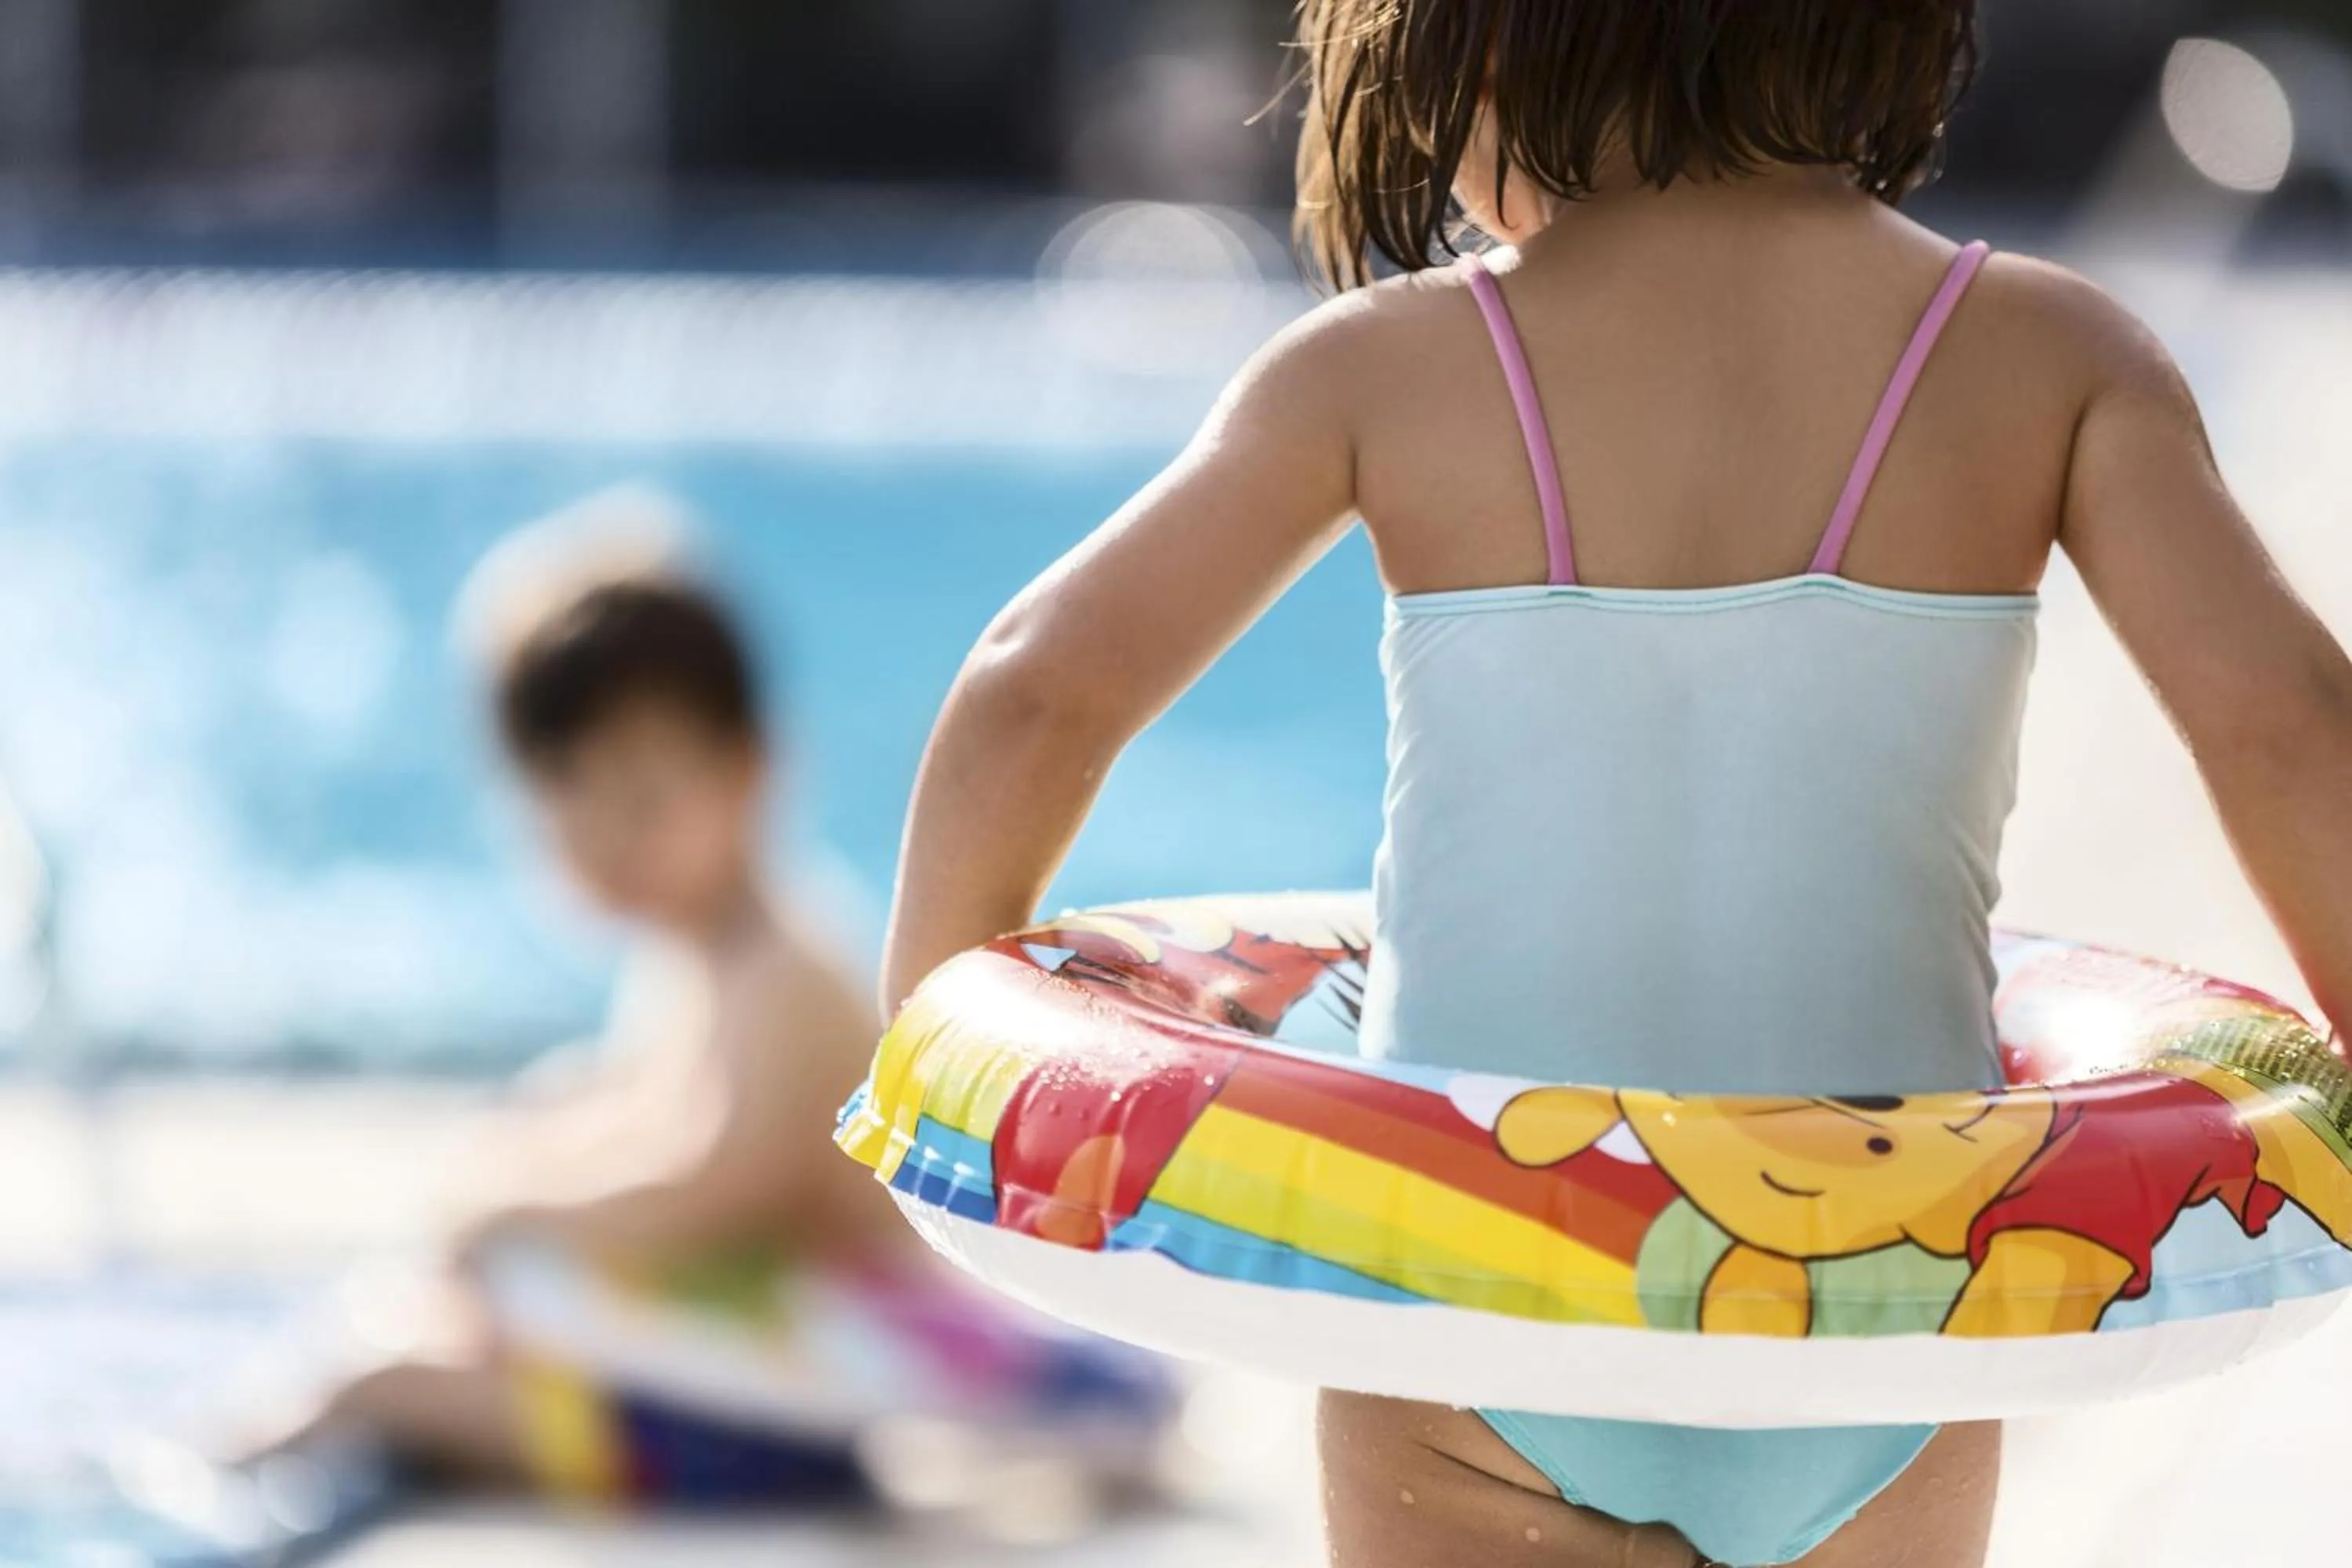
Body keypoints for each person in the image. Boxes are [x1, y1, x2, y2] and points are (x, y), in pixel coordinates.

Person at [875, 4, 2352, 1565]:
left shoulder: (1389, 369)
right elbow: (2292, 722)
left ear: (1484, 50)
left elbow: (1034, 687)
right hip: (1878, 1325)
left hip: (1472, 1324)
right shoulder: (2051, 359)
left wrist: (945, 1082)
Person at [183, 503, 1170, 1544]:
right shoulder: (697, 958)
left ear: (748, 770)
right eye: (571, 810)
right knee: (429, 1296)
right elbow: (638, 1117)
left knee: (379, 1374)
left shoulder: (784, 972)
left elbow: (713, 1183)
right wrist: (522, 1159)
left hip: (769, 1435)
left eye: (643, 801)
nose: (608, 844)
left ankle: (213, 1461)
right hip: (741, 1384)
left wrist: (515, 1206)